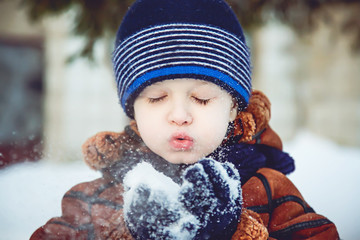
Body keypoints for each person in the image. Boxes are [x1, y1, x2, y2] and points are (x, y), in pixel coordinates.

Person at [31, 0, 339, 239]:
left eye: (202, 98)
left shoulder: (269, 191)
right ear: (134, 109)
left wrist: (232, 233)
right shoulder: (98, 199)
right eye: (156, 98)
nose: (179, 116)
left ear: (233, 107)